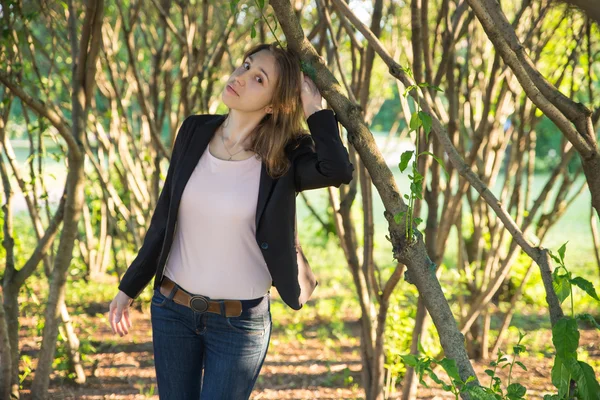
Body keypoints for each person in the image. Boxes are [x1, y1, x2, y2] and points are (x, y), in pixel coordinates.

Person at [108, 42, 354, 399]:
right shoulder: (194, 131)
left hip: (239, 325)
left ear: (274, 104)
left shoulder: (284, 158)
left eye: (258, 78)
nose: (240, 77)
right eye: (245, 65)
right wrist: (129, 286)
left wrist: (313, 106)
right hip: (171, 310)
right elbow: (164, 217)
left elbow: (337, 170)